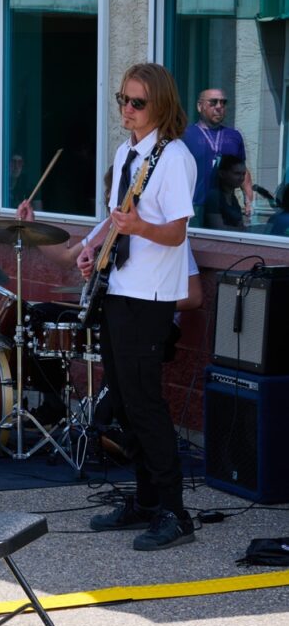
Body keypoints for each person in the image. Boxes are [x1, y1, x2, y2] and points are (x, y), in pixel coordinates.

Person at [76, 63, 197, 551]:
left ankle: (174, 511)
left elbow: (176, 231)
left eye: (137, 102)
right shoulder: (128, 152)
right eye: (123, 100)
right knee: (123, 399)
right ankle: (147, 500)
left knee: (146, 403)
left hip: (149, 297)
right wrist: (93, 249)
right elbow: (116, 218)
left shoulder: (174, 158)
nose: (127, 109)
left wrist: (136, 228)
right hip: (119, 286)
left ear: (161, 106)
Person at [183, 88, 253, 226]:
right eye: (213, 102)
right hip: (196, 205)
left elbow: (242, 170)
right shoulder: (185, 135)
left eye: (223, 102)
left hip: (226, 205)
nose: (219, 107)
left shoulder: (234, 135)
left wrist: (248, 199)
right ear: (199, 106)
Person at [203, 154, 246, 230]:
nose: (241, 178)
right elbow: (218, 229)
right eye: (237, 174)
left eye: (243, 174)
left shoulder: (233, 199)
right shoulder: (214, 196)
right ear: (222, 174)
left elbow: (240, 224)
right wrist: (241, 230)